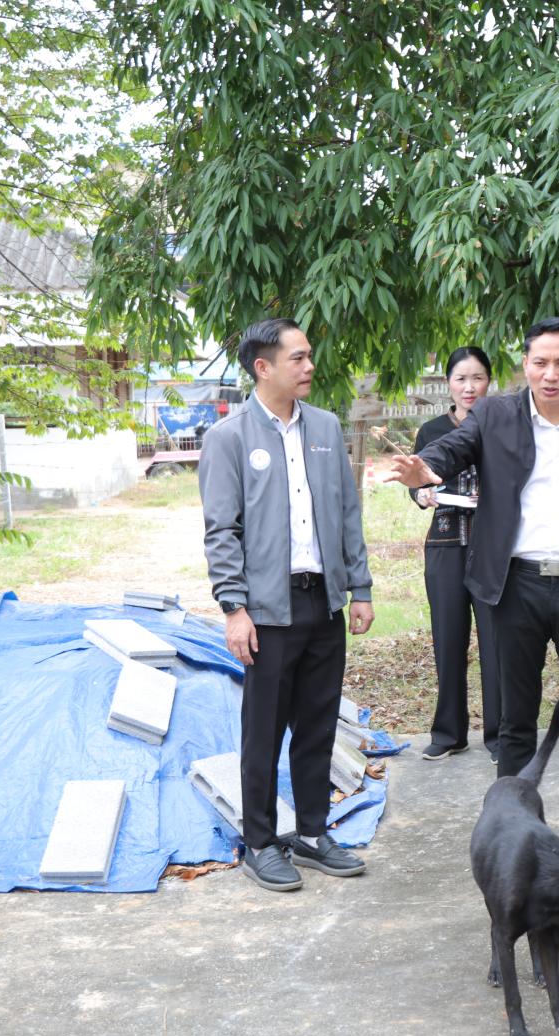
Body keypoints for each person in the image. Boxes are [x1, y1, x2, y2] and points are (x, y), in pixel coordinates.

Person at [384, 317, 559, 882]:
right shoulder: (496, 415)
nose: (550, 374)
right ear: (525, 365)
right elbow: (451, 449)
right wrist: (423, 469)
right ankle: (515, 833)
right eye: (540, 362)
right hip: (514, 586)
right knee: (515, 719)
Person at [199, 317, 375, 892]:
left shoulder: (324, 427)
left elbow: (347, 514)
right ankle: (259, 841)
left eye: (308, 355)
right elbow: (221, 530)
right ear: (263, 367)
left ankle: (313, 833)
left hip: (321, 604)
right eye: (297, 358)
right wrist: (234, 608)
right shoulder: (229, 438)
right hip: (266, 613)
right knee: (264, 732)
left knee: (318, 726)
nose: (309, 366)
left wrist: (360, 588)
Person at [409, 346, 501, 762]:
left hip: (493, 549)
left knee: (497, 643)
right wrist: (420, 495)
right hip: (445, 546)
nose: (469, 387)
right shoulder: (431, 430)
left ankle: (500, 735)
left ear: (489, 381)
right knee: (448, 640)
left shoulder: (503, 424)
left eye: (477, 378)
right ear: (448, 383)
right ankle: (449, 733)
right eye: (461, 379)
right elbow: (417, 482)